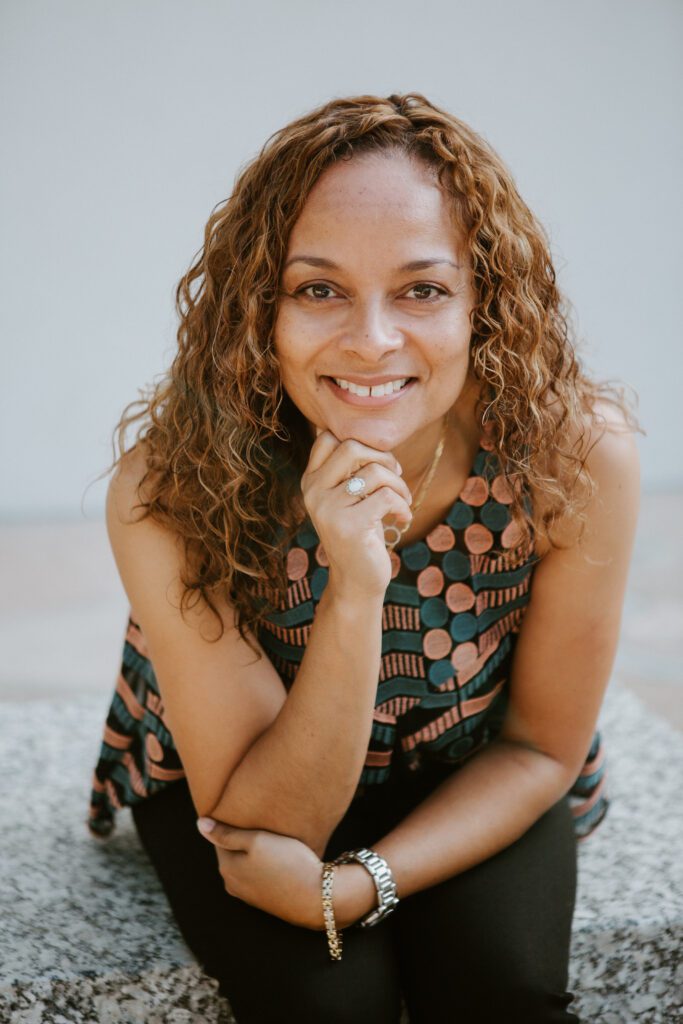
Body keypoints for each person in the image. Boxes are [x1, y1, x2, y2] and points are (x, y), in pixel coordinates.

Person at [86, 92, 642, 1023]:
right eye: (319, 289)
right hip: (237, 788)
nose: (372, 340)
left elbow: (540, 746)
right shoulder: (168, 493)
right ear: (259, 308)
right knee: (329, 1011)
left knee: (500, 990)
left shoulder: (571, 458)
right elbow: (270, 819)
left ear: (483, 303)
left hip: (476, 763)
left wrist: (352, 888)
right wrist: (355, 588)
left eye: (422, 289)